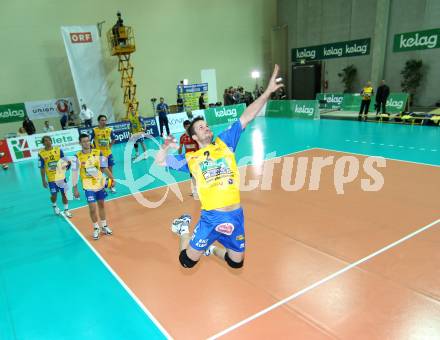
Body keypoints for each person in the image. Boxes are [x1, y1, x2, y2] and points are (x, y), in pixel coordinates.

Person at [155, 64, 283, 270]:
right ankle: (183, 230)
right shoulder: (191, 159)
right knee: (187, 262)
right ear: (194, 137)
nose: (206, 128)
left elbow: (247, 116)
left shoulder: (225, 143)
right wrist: (165, 146)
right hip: (211, 218)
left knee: (236, 262)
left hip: (235, 215)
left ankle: (210, 249)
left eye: (206, 125)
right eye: (200, 128)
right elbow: (160, 161)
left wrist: (267, 92)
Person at [72, 133, 115, 240]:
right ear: (80, 143)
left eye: (87, 141)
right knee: (92, 208)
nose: (86, 143)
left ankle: (104, 226)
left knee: (101, 205)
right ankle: (96, 228)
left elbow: (104, 168)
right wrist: (75, 188)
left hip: (99, 183)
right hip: (88, 185)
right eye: (84, 141)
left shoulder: (97, 152)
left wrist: (112, 179)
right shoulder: (76, 156)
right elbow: (74, 173)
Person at [38, 136, 72, 217]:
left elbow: (64, 161)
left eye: (49, 140)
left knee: (64, 193)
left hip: (61, 177)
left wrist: (67, 165)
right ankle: (54, 206)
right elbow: (42, 168)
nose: (48, 142)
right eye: (45, 141)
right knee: (54, 195)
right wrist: (43, 180)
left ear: (51, 141)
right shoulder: (41, 154)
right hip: (51, 179)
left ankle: (66, 210)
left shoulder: (58, 150)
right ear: (43, 143)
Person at [91, 114, 116, 193]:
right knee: (101, 172)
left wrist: (110, 147)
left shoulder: (109, 130)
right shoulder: (94, 130)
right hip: (100, 155)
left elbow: (114, 139)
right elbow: (89, 141)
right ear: (98, 121)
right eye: (102, 120)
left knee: (110, 171)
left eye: (105, 120)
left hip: (108, 153)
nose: (104, 121)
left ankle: (111, 186)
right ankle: (102, 187)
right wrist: (94, 150)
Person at [178, 120, 199, 197]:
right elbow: (180, 149)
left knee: (199, 173)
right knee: (192, 174)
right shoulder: (182, 137)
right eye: (187, 126)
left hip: (197, 157)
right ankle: (195, 190)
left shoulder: (195, 135)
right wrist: (179, 151)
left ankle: (202, 188)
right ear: (184, 127)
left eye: (190, 126)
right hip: (189, 159)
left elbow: (200, 145)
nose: (188, 128)